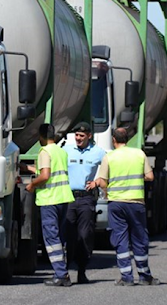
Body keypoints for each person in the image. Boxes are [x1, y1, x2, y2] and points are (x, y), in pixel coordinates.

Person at [96, 127, 161, 286]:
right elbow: (150, 176)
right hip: (136, 203)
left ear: (114, 140)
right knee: (139, 238)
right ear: (128, 139)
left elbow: (103, 181)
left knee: (120, 238)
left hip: (116, 204)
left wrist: (106, 191)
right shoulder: (139, 153)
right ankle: (145, 275)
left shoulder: (109, 157)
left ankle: (126, 277)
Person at [21, 123, 75, 287]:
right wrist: (28, 168)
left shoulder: (44, 151)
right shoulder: (61, 151)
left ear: (41, 137)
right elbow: (49, 171)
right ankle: (62, 271)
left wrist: (31, 185)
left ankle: (61, 274)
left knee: (52, 238)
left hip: (49, 199)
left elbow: (45, 175)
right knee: (60, 237)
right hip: (63, 197)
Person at [62, 121, 106, 284]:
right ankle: (64, 271)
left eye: (81, 136)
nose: (78, 138)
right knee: (68, 235)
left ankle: (82, 270)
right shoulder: (66, 150)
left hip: (86, 198)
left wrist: (98, 181)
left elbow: (111, 167)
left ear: (89, 136)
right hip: (68, 197)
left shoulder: (98, 152)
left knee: (85, 235)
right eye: (76, 135)